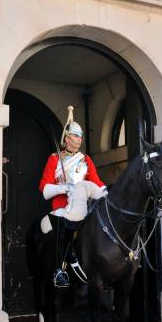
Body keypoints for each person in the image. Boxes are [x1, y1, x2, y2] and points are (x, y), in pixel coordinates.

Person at [39, 106, 106, 287]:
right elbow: (44, 189)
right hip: (62, 207)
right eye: (75, 135)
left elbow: (96, 182)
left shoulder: (86, 160)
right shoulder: (54, 159)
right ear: (66, 138)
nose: (79, 139)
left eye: (81, 136)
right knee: (63, 229)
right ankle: (59, 270)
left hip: (83, 206)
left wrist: (107, 192)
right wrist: (64, 188)